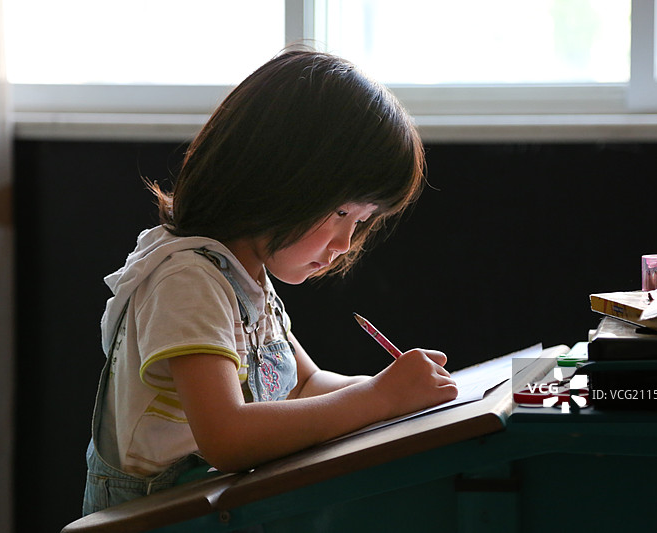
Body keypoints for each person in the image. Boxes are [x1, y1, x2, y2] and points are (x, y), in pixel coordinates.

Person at [82, 48, 458, 515]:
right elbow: (228, 438)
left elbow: (304, 385)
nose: (345, 243)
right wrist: (379, 397)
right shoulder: (187, 279)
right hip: (154, 518)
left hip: (213, 510)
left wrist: (395, 392)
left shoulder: (245, 275)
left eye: (360, 221)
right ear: (277, 176)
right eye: (341, 212)